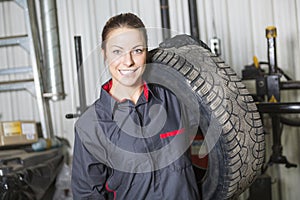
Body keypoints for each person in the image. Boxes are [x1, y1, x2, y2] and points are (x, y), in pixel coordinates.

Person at [71, 12, 200, 199]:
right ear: (104, 54)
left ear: (146, 52)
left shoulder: (175, 98)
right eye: (117, 51)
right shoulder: (89, 126)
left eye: (137, 50)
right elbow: (87, 195)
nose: (128, 61)